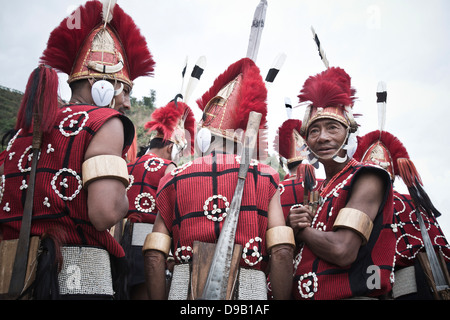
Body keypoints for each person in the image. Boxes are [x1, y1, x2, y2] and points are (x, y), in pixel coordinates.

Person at [0, 1, 154, 299]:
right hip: (76, 279)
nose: (127, 104)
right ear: (102, 87)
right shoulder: (105, 121)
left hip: (10, 279)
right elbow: (105, 212)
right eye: (126, 91)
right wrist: (125, 202)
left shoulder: (23, 130)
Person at [143, 58, 294, 300]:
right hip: (249, 293)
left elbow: (153, 255)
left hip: (184, 291)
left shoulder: (173, 177)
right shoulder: (267, 176)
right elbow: (282, 251)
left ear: (203, 137)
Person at [288, 67, 395, 300]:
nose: (322, 137)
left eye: (332, 128)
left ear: (350, 136)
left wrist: (302, 230)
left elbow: (342, 250)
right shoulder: (321, 188)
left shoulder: (368, 177)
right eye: (314, 130)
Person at [354, 130, 450, 299]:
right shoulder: (415, 201)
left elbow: (368, 257)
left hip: (401, 286)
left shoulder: (368, 205)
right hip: (439, 280)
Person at [123, 96, 195, 299]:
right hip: (149, 248)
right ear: (172, 148)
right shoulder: (169, 168)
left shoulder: (127, 165)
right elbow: (172, 212)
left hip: (118, 244)